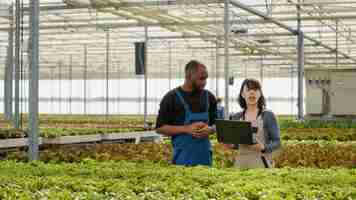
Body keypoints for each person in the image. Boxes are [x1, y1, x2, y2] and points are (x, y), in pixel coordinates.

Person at [156, 60, 217, 166]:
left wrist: (211, 129)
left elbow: (218, 124)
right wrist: (186, 129)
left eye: (206, 78)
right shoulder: (171, 98)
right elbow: (160, 128)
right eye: (201, 78)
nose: (204, 82)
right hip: (182, 158)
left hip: (205, 157)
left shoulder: (209, 97)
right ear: (188, 76)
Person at [227, 78, 281, 168]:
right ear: (242, 94)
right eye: (248, 90)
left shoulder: (268, 116)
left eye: (255, 90)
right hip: (241, 163)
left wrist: (264, 147)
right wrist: (231, 145)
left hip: (261, 162)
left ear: (260, 94)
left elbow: (277, 142)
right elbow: (237, 145)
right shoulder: (236, 117)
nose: (252, 93)